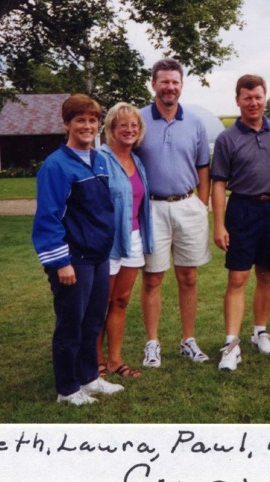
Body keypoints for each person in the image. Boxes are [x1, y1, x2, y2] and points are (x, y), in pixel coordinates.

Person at [32, 94, 124, 405]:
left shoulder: (99, 160)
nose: (87, 126)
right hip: (73, 260)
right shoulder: (56, 166)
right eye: (80, 120)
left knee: (93, 320)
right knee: (71, 324)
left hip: (98, 256)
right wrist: (61, 262)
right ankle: (68, 389)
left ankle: (89, 377)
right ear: (67, 124)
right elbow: (48, 218)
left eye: (92, 120)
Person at [211, 74, 270, 371]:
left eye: (258, 97)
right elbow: (219, 183)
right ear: (238, 100)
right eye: (247, 98)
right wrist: (219, 225)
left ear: (265, 98)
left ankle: (260, 332)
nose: (253, 102)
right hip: (242, 209)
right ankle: (231, 344)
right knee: (237, 278)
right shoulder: (227, 138)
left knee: (266, 274)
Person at [135, 58, 211, 368]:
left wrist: (201, 203)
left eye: (175, 82)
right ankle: (152, 343)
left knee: (189, 277)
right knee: (152, 278)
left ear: (181, 85)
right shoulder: (138, 119)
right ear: (153, 84)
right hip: (151, 208)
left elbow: (203, 167)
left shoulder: (195, 122)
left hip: (188, 206)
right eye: (164, 81)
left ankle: (187, 340)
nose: (170, 87)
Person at [96, 102, 153, 379]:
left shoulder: (136, 161)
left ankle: (115, 360)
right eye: (123, 125)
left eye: (134, 125)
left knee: (120, 301)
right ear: (111, 128)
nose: (129, 130)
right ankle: (96, 360)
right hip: (108, 242)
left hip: (134, 239)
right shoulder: (100, 159)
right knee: (100, 302)